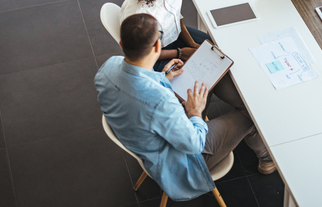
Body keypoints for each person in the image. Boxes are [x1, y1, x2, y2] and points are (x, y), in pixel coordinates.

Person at [95, 14, 275, 202]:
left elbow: (136, 87)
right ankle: (266, 157)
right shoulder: (161, 101)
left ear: (122, 44)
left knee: (203, 86)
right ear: (158, 47)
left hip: (140, 135)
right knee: (252, 111)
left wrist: (163, 78)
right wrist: (195, 113)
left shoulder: (108, 67)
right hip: (184, 163)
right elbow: (194, 144)